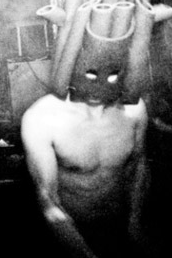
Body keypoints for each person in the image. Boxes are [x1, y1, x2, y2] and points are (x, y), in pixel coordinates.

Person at [21, 22, 151, 257]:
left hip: (118, 229)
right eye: (90, 73)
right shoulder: (43, 118)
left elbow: (138, 165)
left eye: (111, 74)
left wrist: (135, 223)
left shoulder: (134, 110)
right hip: (68, 234)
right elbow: (48, 201)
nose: (98, 83)